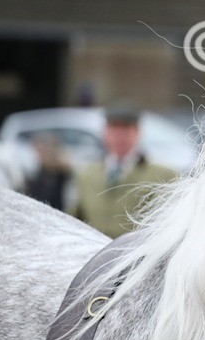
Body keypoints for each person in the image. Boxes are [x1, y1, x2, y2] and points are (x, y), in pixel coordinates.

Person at [70, 102, 177, 238]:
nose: (119, 135)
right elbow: (74, 220)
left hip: (136, 253)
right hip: (93, 253)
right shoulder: (87, 174)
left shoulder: (162, 175)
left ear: (137, 132)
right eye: (114, 128)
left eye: (126, 128)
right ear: (105, 132)